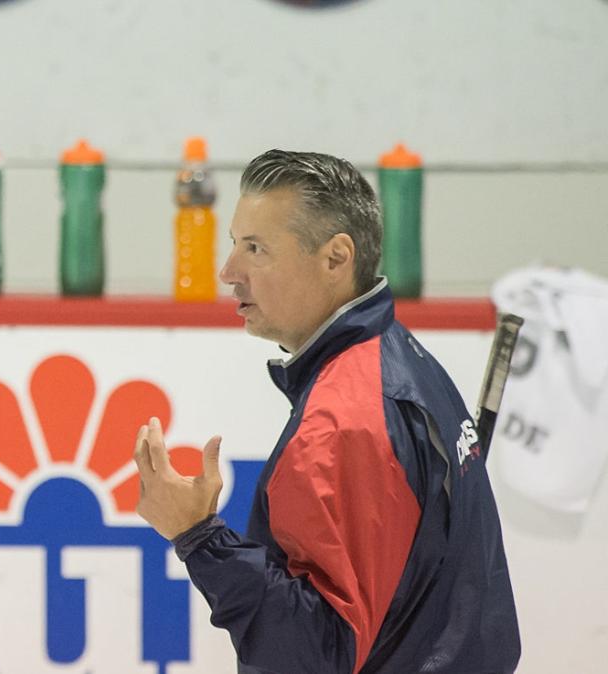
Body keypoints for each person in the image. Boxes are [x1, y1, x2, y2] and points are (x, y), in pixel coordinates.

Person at [133, 149, 520, 673]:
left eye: (256, 249)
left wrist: (200, 536)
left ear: (336, 258)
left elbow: (317, 654)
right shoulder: (398, 357)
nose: (229, 272)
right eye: (235, 246)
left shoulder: (342, 420)